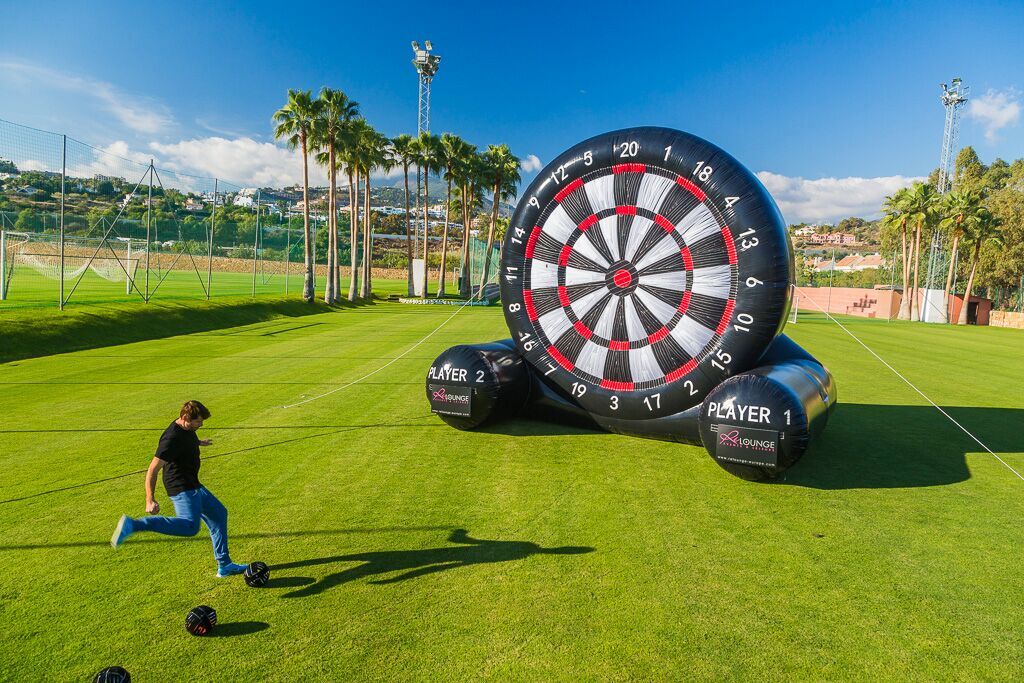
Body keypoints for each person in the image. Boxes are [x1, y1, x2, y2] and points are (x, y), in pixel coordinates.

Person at [111, 400, 247, 578]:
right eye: (198, 421)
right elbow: (152, 469)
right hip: (181, 486)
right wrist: (149, 499)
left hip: (193, 482)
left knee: (219, 514)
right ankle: (134, 525)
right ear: (185, 417)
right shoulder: (171, 439)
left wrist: (198, 442)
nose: (201, 424)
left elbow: (186, 439)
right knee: (190, 527)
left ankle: (225, 564)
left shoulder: (187, 429)